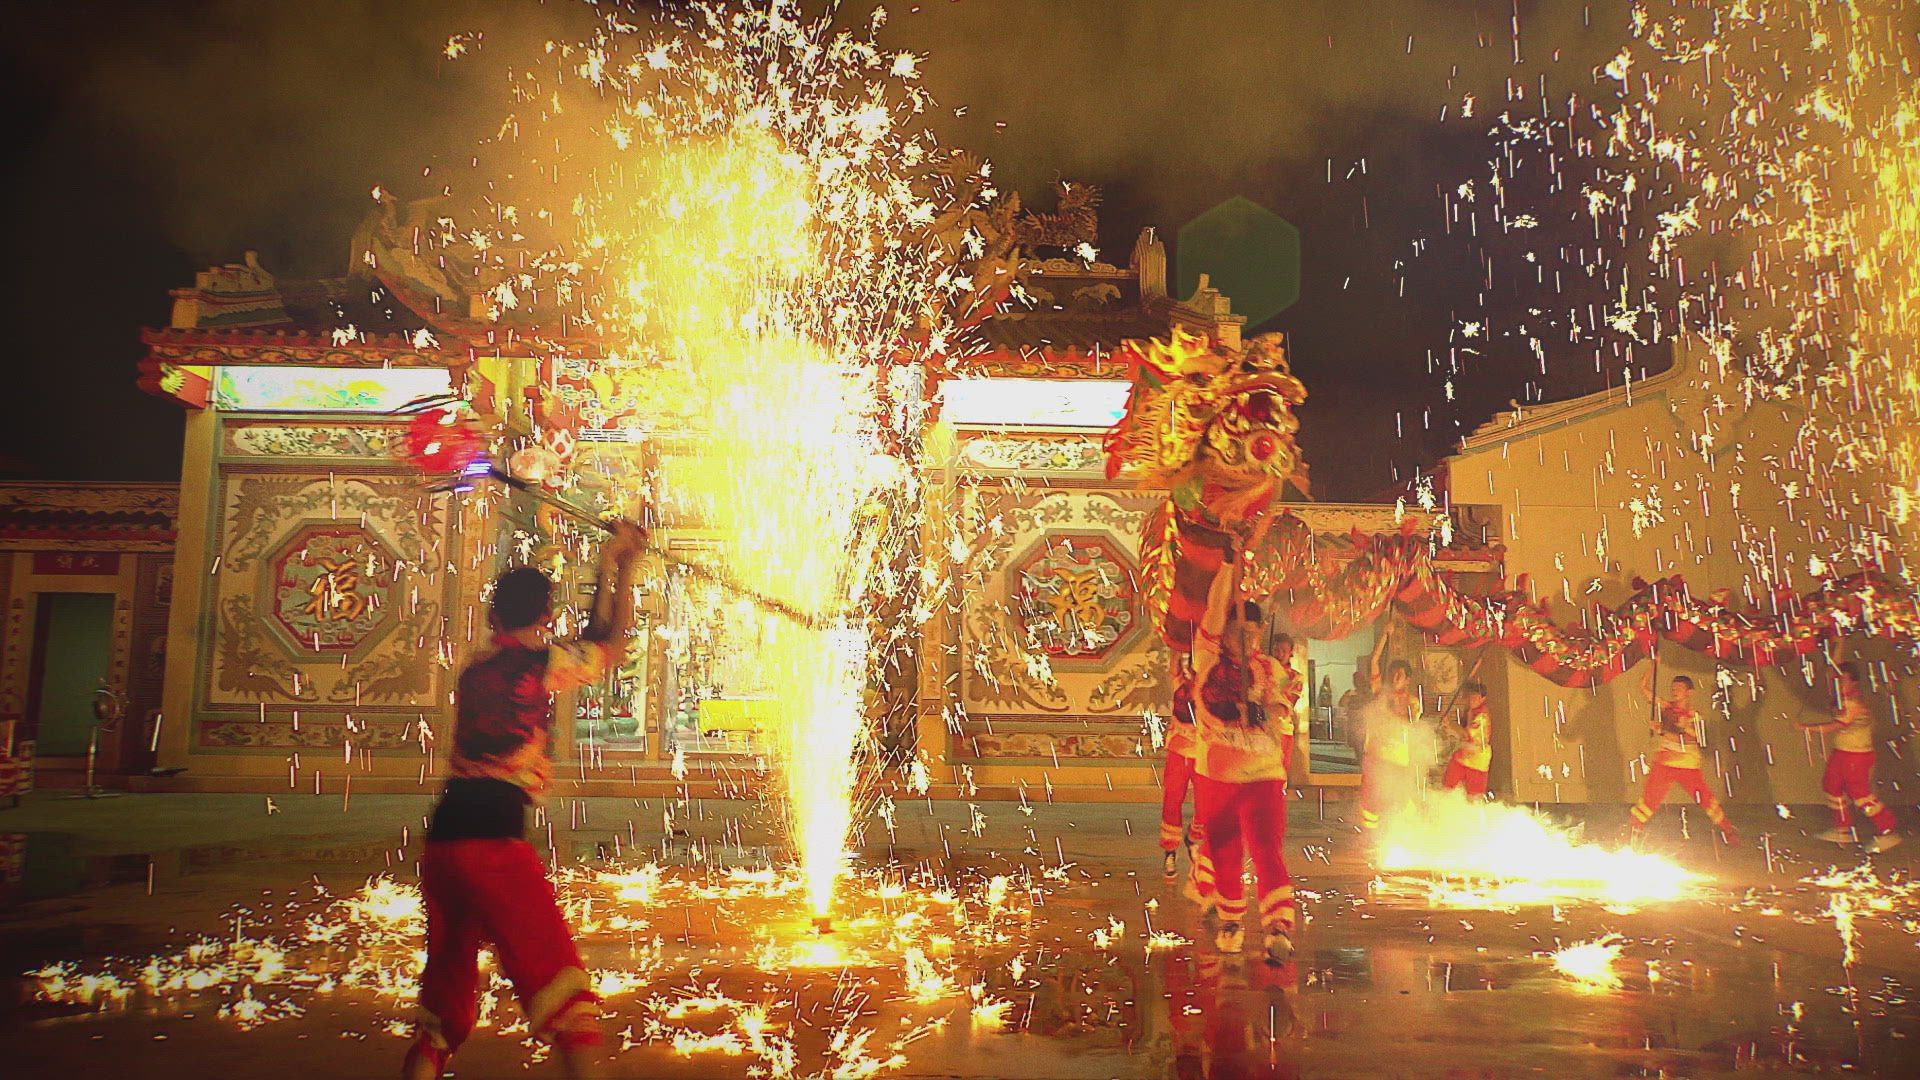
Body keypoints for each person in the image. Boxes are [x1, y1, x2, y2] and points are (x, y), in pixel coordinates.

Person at [404, 522, 647, 1080]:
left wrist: (610, 565)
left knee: (445, 998)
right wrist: (622, 567)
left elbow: (588, 636)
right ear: (545, 618)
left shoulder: (476, 669)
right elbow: (608, 642)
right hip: (495, 846)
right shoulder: (543, 668)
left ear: (493, 618)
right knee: (563, 989)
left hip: (443, 845)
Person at [1188, 561, 1300, 964]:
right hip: (1218, 774)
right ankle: (1232, 919)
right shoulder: (1207, 659)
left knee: (1269, 848)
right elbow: (1217, 607)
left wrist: (1263, 710)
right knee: (1226, 850)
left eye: (1254, 633)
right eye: (1240, 631)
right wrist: (1228, 563)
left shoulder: (1269, 669)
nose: (1248, 639)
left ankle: (1278, 928)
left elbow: (1279, 709)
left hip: (1264, 775)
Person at [1628, 670, 1739, 846]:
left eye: (1679, 688)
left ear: (1689, 692)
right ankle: (1633, 832)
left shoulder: (1693, 716)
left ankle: (1729, 830)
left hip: (1687, 765)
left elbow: (1692, 738)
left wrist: (1663, 730)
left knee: (1705, 799)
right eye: (1673, 688)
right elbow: (1646, 691)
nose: (1675, 691)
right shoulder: (1667, 708)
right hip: (1665, 762)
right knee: (1650, 799)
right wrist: (1651, 667)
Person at [1799, 662, 1901, 852]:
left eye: (1843, 680)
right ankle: (1843, 829)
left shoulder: (1853, 703)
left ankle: (1888, 830)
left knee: (1860, 794)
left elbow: (1836, 726)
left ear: (1854, 683)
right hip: (1842, 752)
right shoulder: (1842, 698)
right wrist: (1838, 643)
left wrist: (1807, 728)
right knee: (1831, 785)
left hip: (1857, 755)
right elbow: (1832, 670)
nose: (1838, 683)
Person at [1358, 637, 1419, 834]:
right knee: (1370, 799)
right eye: (1392, 674)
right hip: (1375, 755)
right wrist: (1385, 634)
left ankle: (1405, 834)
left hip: (1397, 758)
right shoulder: (1380, 693)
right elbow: (1374, 661)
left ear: (1407, 679)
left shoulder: (1412, 701)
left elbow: (1411, 722)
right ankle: (1370, 836)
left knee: (1398, 798)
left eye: (1399, 675)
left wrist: (1395, 711)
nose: (1394, 678)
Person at [1160, 657, 1201, 878]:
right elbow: (1174, 661)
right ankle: (1170, 850)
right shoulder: (1180, 684)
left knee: (1206, 804)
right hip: (1178, 751)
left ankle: (1193, 838)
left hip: (1204, 754)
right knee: (1172, 800)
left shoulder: (1213, 687)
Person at [1442, 681, 1493, 798]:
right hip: (1463, 756)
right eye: (1470, 697)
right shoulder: (1470, 711)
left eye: (1475, 697)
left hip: (1477, 760)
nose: (1471, 700)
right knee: (1448, 788)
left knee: (1474, 797)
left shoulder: (1482, 716)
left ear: (1482, 698)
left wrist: (1450, 725)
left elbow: (1466, 735)